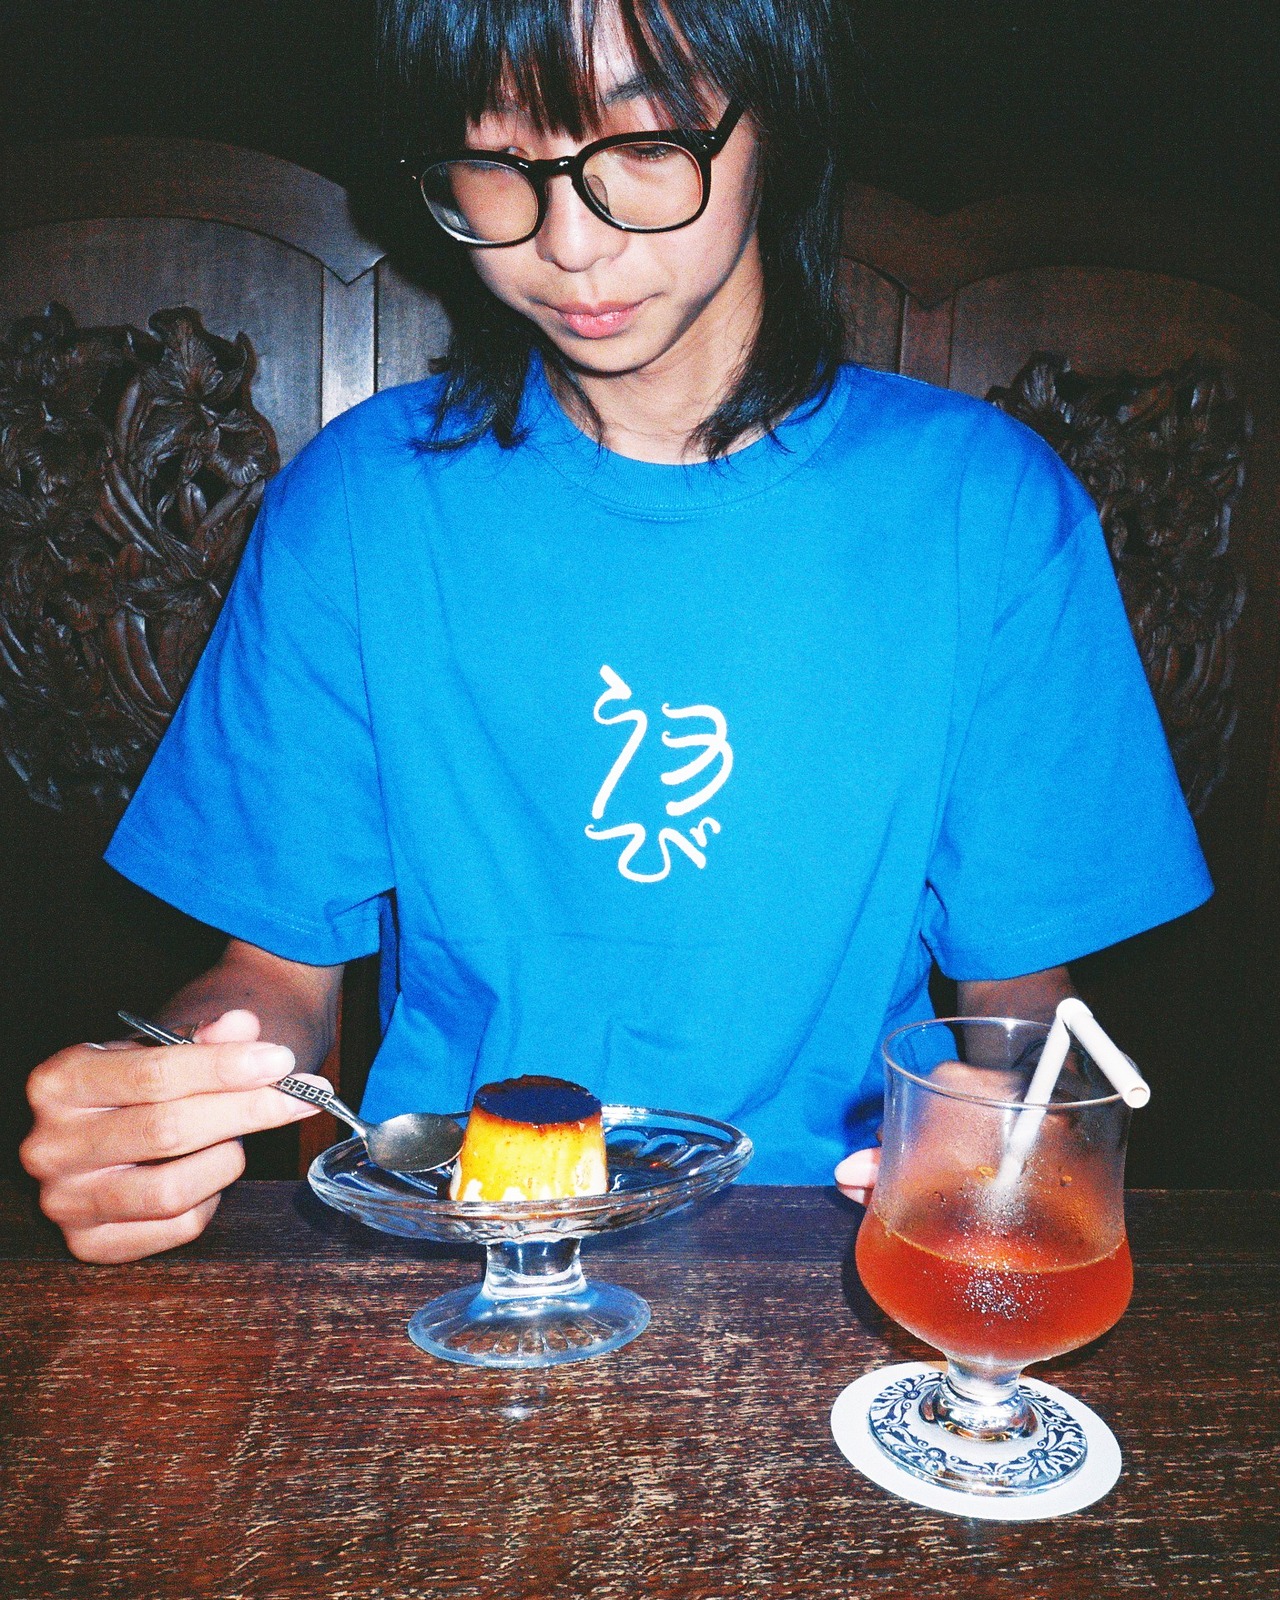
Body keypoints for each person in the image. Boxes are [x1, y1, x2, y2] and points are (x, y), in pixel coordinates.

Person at [21, 0, 1210, 1262]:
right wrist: (167, 1097)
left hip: (840, 1248)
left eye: (646, 147)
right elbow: (273, 976)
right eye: (495, 161)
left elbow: (1018, 996)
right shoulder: (358, 503)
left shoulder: (988, 507)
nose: (569, 244)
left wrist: (1016, 1128)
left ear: (776, 126)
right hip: (463, 1245)